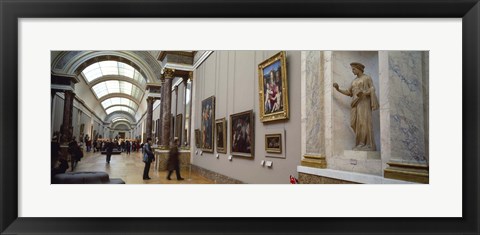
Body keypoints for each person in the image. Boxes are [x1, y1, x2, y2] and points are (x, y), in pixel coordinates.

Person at [333, 62, 379, 151]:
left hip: (364, 102)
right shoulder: (354, 81)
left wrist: (364, 93)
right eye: (352, 69)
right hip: (355, 103)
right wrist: (338, 89)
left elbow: (373, 88)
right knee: (353, 123)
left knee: (363, 122)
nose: (352, 71)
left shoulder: (366, 78)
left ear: (358, 69)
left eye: (354, 69)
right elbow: (348, 92)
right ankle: (360, 142)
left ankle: (364, 144)